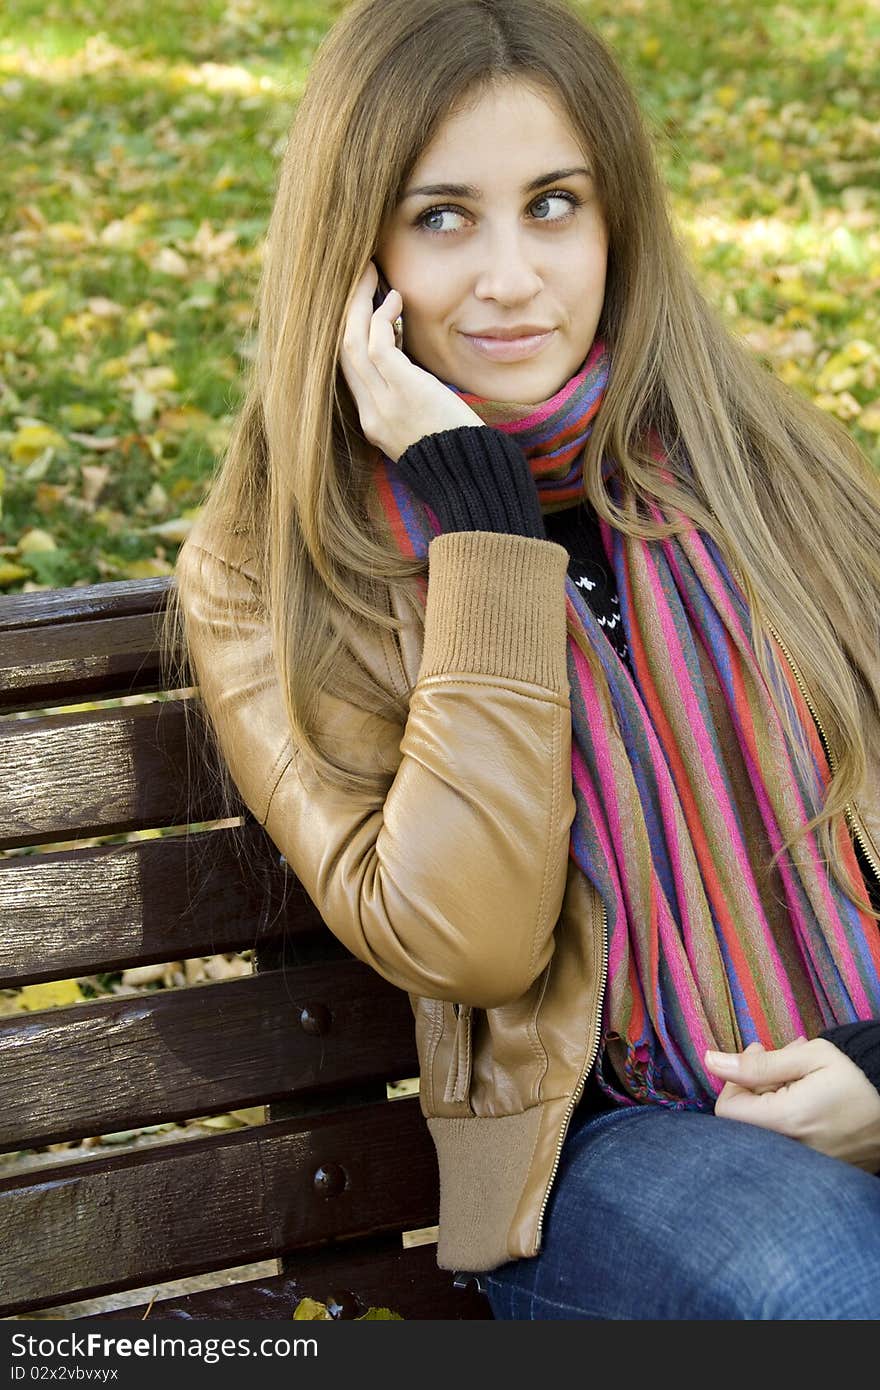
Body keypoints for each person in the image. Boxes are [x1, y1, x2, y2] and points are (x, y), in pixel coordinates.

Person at [168, 0, 880, 1319]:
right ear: (357, 252)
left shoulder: (765, 471)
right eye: (444, 217)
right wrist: (485, 527)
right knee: (829, 1276)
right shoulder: (272, 572)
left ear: (616, 224)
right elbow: (473, 940)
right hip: (599, 1152)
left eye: (554, 204)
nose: (513, 275)